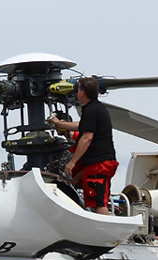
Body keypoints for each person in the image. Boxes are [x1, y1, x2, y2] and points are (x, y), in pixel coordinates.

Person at [48, 78, 118, 215]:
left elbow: (86, 138)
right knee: (99, 200)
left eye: (78, 89)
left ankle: (106, 236)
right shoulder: (96, 108)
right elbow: (81, 126)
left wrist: (72, 163)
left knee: (99, 203)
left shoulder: (91, 110)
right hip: (104, 162)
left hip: (99, 164)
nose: (77, 92)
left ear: (82, 92)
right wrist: (60, 124)